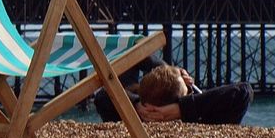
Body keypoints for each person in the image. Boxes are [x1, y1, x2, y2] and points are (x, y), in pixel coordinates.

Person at [92, 54, 252, 125]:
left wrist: (135, 105)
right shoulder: (203, 121)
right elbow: (243, 91)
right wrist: (182, 109)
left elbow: (103, 95)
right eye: (189, 91)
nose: (192, 90)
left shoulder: (124, 115)